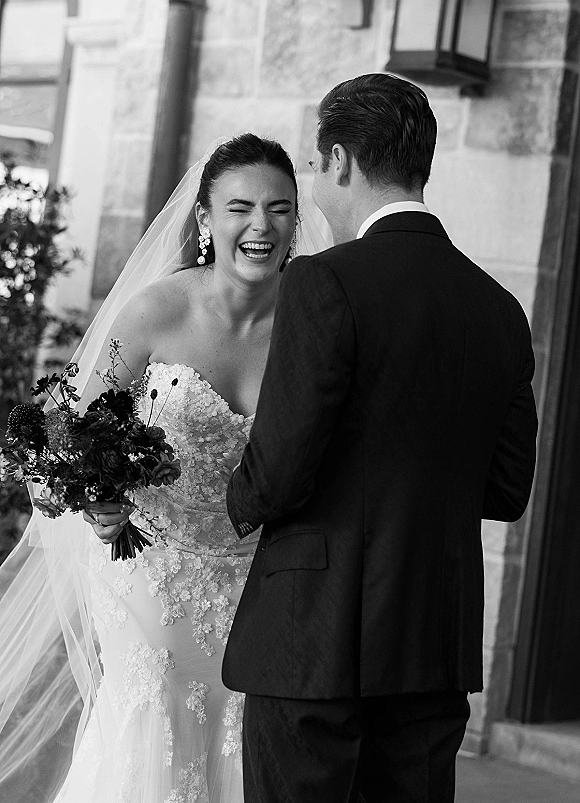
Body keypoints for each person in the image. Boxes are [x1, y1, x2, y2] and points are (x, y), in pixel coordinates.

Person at [224, 74, 538, 802]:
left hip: (312, 639)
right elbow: (506, 488)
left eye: (313, 163)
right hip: (432, 640)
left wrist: (230, 503)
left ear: (339, 160)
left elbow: (277, 473)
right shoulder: (500, 310)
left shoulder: (323, 282)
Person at [0, 134, 328, 803]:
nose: (260, 226)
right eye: (239, 208)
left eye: (279, 208)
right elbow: (69, 435)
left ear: (297, 220)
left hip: (255, 576)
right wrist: (98, 501)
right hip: (150, 566)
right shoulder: (158, 310)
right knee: (153, 729)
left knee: (239, 741)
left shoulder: (316, 323)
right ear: (205, 221)